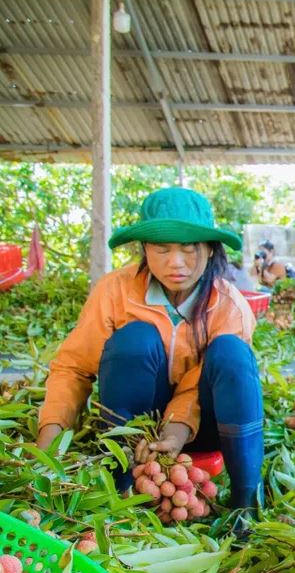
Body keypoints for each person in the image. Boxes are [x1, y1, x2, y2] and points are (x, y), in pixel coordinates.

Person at [36, 188, 265, 512]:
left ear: (211, 251)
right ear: (144, 249)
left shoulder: (229, 306)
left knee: (232, 354)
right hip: (133, 422)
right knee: (135, 341)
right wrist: (50, 440)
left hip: (206, 426)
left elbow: (200, 384)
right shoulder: (115, 291)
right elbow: (74, 366)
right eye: (161, 249)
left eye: (189, 249)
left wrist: (174, 433)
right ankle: (119, 479)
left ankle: (247, 503)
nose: (176, 263)